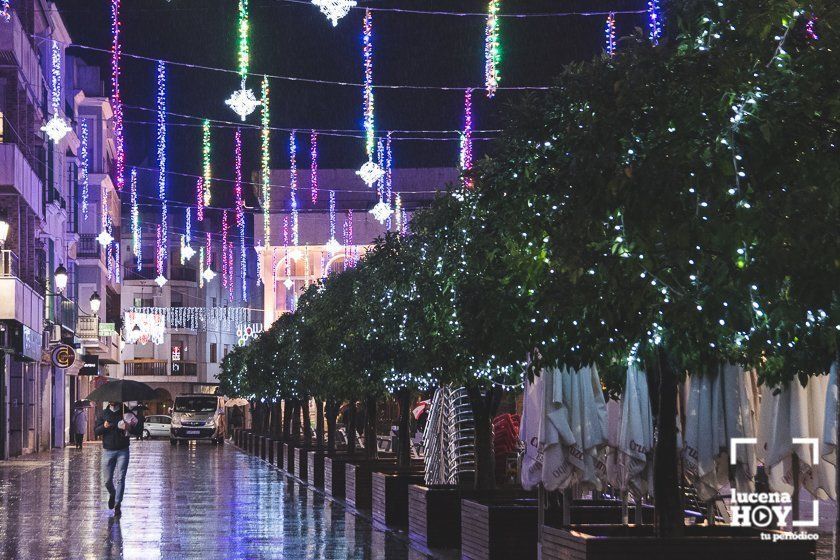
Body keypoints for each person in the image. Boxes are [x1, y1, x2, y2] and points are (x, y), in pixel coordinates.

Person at [94, 402, 144, 517]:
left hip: (123, 450)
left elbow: (139, 430)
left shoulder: (126, 413)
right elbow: (96, 431)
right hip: (108, 450)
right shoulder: (104, 414)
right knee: (107, 480)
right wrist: (104, 427)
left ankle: (117, 505)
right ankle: (113, 493)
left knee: (121, 478)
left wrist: (129, 427)